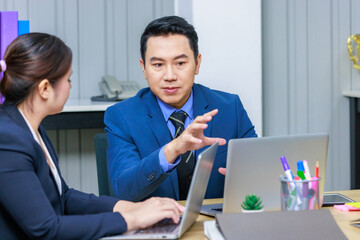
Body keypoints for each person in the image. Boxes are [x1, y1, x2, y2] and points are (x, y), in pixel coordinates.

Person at [0, 33, 184, 239]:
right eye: (67, 79)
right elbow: (46, 228)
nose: (70, 86)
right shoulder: (8, 139)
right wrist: (132, 220)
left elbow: (64, 198)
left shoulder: (29, 127)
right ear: (44, 88)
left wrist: (129, 208)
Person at [105, 16, 257, 202]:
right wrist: (173, 149)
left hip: (214, 224)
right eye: (158, 65)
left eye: (180, 63)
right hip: (157, 227)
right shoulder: (122, 117)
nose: (170, 76)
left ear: (197, 63)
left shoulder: (229, 108)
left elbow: (259, 170)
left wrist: (249, 177)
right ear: (144, 68)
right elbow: (124, 190)